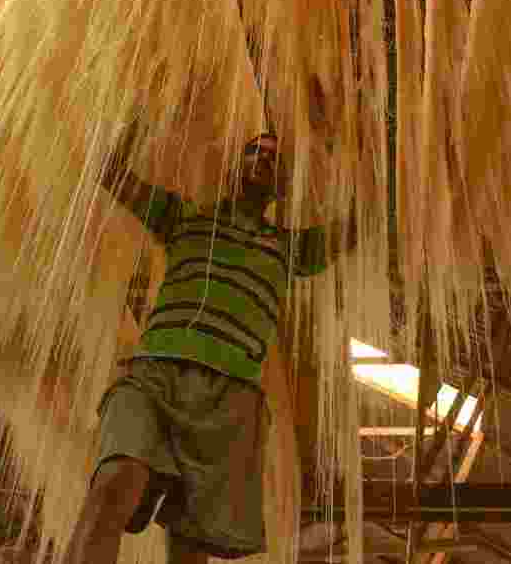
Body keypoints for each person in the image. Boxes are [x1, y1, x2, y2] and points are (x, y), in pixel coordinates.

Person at [65, 123, 357, 564]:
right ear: (236, 167)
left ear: (283, 186)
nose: (263, 158)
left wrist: (345, 145)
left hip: (232, 396)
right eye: (255, 151)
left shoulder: (291, 248)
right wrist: (143, 107)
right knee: (112, 485)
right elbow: (109, 171)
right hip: (154, 372)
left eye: (275, 158)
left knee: (190, 545)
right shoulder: (184, 218)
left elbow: (364, 223)